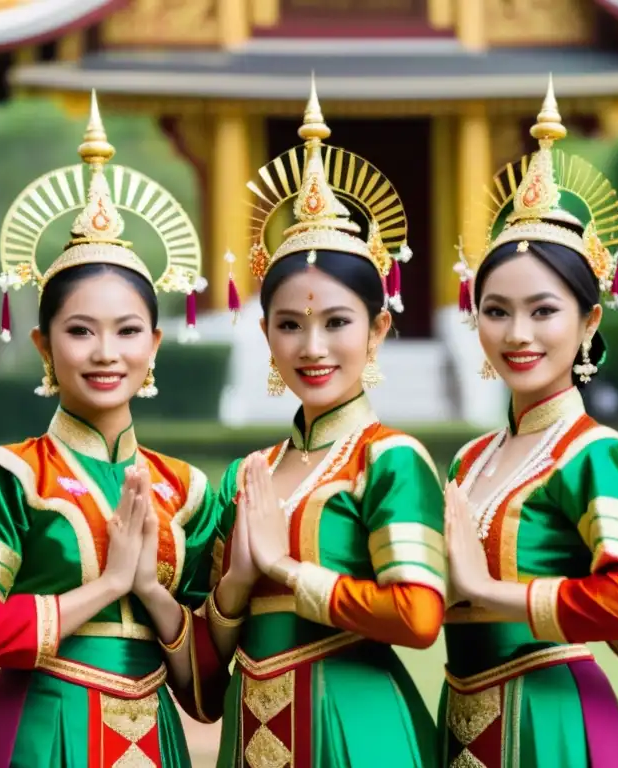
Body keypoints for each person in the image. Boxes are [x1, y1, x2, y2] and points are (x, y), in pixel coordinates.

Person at [0, 93, 223, 767]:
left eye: (126, 332)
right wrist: (108, 588)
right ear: (43, 345)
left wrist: (149, 589)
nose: (104, 353)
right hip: (35, 732)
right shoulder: (7, 477)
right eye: (80, 331)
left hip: (154, 738)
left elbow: (207, 694)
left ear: (155, 345)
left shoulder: (192, 494)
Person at [201, 79, 445, 768]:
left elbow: (417, 616)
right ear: (267, 334)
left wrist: (282, 567)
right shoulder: (247, 477)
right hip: (249, 729)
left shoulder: (391, 461)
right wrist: (237, 586)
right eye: (290, 325)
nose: (312, 348)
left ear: (378, 331)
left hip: (359, 726)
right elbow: (200, 682)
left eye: (337, 323)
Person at [440, 78, 618, 768]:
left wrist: (487, 593)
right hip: (463, 711)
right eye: (497, 310)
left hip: (556, 720)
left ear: (589, 320)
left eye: (544, 311)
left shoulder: (596, 454)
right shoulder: (469, 459)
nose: (518, 333)